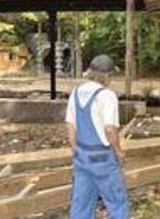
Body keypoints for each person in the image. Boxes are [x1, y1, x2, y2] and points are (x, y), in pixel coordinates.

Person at [66, 55, 129, 219]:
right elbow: (109, 129)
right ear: (107, 76)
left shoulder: (76, 92)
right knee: (117, 202)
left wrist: (77, 150)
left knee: (81, 204)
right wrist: (119, 151)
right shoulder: (107, 96)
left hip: (82, 156)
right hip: (102, 157)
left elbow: (70, 127)